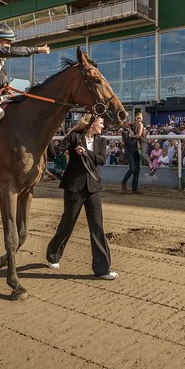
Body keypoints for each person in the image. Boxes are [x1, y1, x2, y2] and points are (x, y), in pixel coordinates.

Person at [45, 114, 117, 280]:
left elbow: (101, 160)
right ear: (92, 124)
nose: (103, 126)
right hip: (74, 187)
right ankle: (53, 255)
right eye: (101, 123)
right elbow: (54, 153)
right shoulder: (73, 137)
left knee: (97, 226)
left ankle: (103, 269)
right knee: (67, 223)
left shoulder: (101, 141)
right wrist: (49, 135)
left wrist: (86, 152)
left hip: (93, 188)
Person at [120, 112, 146, 193]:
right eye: (125, 122)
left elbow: (139, 125)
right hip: (130, 152)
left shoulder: (132, 127)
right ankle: (123, 182)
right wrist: (138, 137)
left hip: (136, 151)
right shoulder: (124, 132)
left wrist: (139, 135)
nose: (127, 123)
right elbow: (130, 143)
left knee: (137, 170)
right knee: (132, 168)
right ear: (123, 124)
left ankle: (135, 188)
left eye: (127, 121)